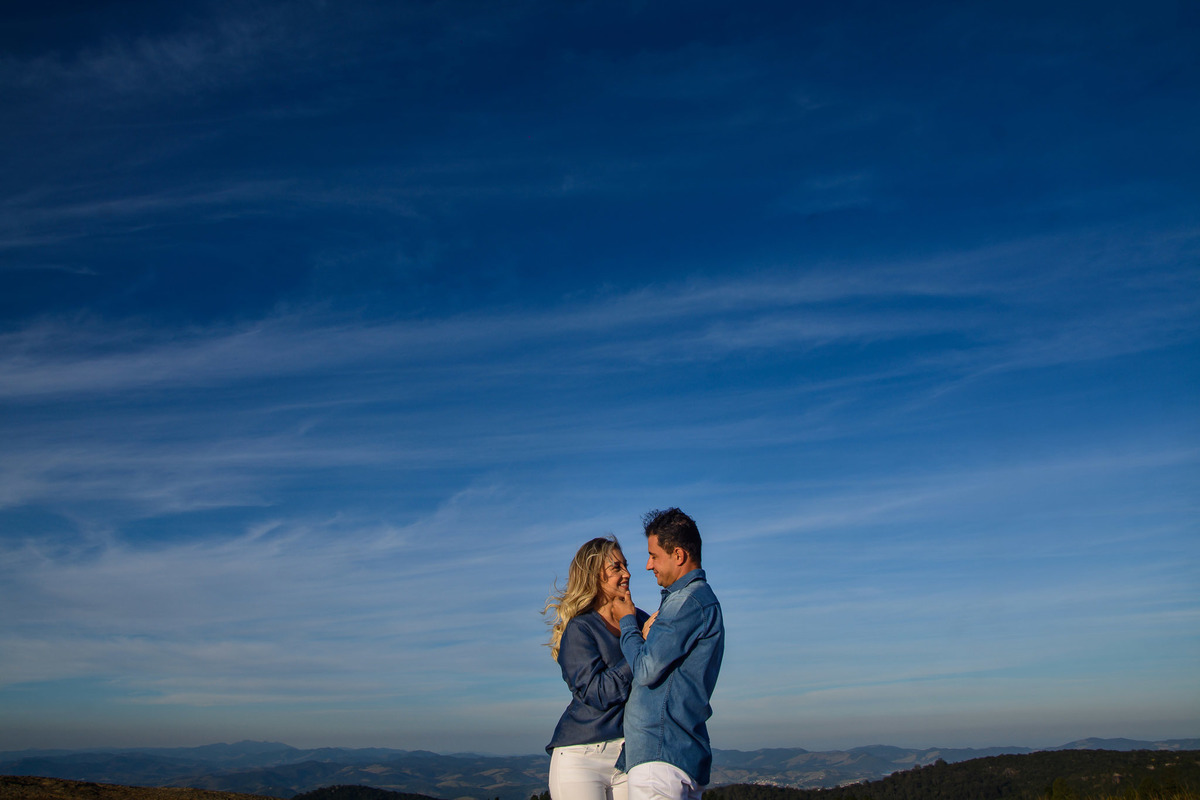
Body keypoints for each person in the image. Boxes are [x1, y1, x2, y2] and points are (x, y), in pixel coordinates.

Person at [611, 508, 724, 800]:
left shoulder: (686, 602)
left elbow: (647, 670)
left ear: (679, 555)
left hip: (660, 760)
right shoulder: (694, 602)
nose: (648, 566)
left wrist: (627, 623)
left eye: (654, 555)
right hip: (670, 756)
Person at [545, 536, 651, 800]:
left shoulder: (641, 619)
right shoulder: (580, 629)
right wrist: (642, 651)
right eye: (616, 567)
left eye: (625, 566)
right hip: (581, 758)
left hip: (631, 756)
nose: (627, 573)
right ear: (594, 574)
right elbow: (598, 692)